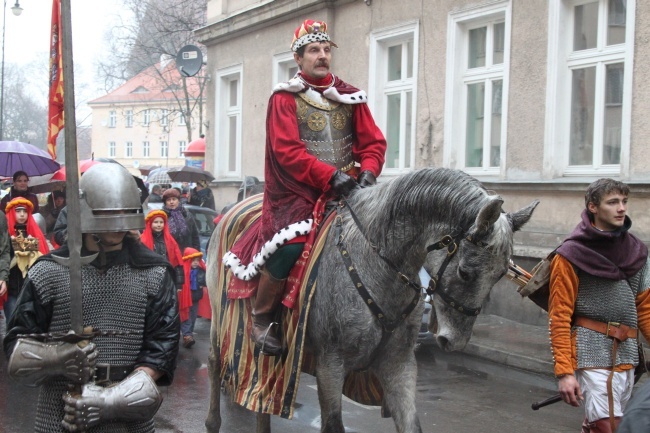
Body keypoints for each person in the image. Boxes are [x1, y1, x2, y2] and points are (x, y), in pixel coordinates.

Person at [222, 19, 387, 355]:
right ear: (299, 58)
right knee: (289, 245)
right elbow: (288, 152)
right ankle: (263, 317)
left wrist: (368, 173)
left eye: (326, 49)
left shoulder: (350, 96)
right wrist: (330, 177)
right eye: (314, 50)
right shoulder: (285, 98)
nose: (322, 55)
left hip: (350, 188)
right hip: (298, 192)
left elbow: (373, 144)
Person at [3, 163, 179, 432]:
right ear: (87, 212)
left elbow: (162, 347)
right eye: (110, 213)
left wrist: (109, 400)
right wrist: (59, 356)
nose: (119, 223)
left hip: (128, 410)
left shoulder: (153, 272)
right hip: (62, 408)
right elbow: (17, 348)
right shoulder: (49, 271)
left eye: (125, 212)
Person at [548, 178, 650, 433]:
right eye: (613, 202)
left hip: (627, 356)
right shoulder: (570, 254)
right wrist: (565, 372)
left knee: (615, 425)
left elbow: (646, 308)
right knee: (608, 427)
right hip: (590, 353)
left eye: (624, 201)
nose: (621, 208)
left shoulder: (636, 251)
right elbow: (559, 316)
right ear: (593, 207)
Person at [3, 197, 49, 326]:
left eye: (24, 211)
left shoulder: (35, 234)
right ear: (12, 212)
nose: (22, 214)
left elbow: (42, 259)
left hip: (30, 288)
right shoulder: (4, 236)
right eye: (18, 211)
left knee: (30, 324)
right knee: (12, 323)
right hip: (11, 287)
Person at [140, 209, 184, 290]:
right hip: (149, 280)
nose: (159, 225)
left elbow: (177, 263)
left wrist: (179, 284)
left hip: (168, 279)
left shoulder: (171, 241)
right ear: (150, 223)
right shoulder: (142, 240)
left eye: (161, 222)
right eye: (156, 222)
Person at [178, 247, 206, 348]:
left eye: (197, 261)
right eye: (193, 260)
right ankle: (187, 335)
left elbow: (205, 281)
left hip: (195, 297)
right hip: (185, 298)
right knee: (186, 316)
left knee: (193, 317)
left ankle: (188, 334)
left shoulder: (201, 271)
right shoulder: (184, 271)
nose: (195, 263)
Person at [162, 188, 200, 253]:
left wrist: (196, 253)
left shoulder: (187, 215)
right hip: (170, 254)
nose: (171, 202)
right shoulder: (162, 216)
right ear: (165, 203)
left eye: (174, 199)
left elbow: (195, 236)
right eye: (168, 200)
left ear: (178, 200)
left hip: (187, 253)